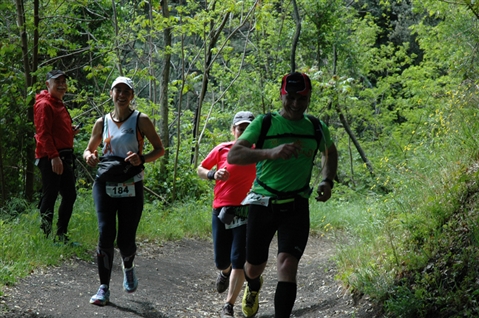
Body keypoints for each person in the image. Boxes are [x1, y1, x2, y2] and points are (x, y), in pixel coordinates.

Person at [227, 72, 338, 318]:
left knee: (288, 265)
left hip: (297, 205)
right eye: (291, 97)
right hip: (263, 203)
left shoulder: (316, 127)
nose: (296, 103)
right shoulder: (265, 124)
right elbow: (234, 155)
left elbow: (330, 152)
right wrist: (270, 153)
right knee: (253, 267)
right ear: (282, 95)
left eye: (302, 98)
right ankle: (253, 285)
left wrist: (327, 181)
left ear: (309, 97)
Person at [83, 76, 165, 306]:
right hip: (105, 182)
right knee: (105, 233)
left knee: (125, 239)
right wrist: (90, 156)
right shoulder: (102, 122)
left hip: (132, 183)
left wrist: (142, 159)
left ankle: (128, 265)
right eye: (117, 90)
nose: (121, 95)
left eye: (126, 91)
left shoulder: (141, 120)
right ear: (111, 93)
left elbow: (160, 149)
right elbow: (88, 149)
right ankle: (103, 288)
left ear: (131, 96)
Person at [197, 111, 256, 318]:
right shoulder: (222, 149)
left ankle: (228, 306)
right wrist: (213, 174)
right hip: (221, 209)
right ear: (233, 130)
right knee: (222, 260)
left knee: (239, 259)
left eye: (249, 128)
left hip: (248, 210)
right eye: (241, 128)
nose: (244, 131)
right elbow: (200, 169)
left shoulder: (260, 153)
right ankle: (224, 272)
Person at [34, 69, 80, 243]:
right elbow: (43, 134)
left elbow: (55, 131)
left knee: (69, 195)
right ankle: (45, 238)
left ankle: (61, 236)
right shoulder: (44, 105)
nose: (61, 85)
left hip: (63, 156)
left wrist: (70, 132)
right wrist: (53, 157)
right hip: (50, 158)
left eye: (63, 81)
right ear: (48, 84)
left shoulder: (58, 102)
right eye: (57, 82)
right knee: (51, 195)